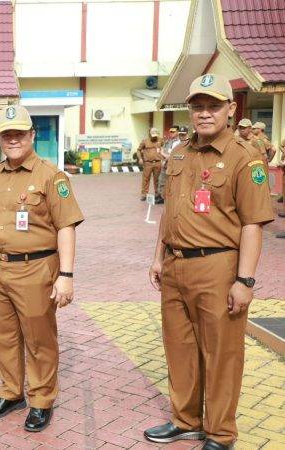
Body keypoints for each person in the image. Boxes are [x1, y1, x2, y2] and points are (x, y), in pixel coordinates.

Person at [144, 74, 274, 450]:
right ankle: (186, 420)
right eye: (198, 106)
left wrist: (244, 281)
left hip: (218, 267)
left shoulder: (244, 157)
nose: (204, 113)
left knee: (221, 353)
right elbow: (169, 212)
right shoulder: (180, 153)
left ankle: (220, 433)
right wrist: (158, 258)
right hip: (175, 265)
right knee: (179, 347)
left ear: (230, 109)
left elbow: (252, 224)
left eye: (213, 106)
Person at [0, 105, 83, 432]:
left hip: (35, 268)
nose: (13, 140)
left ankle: (41, 400)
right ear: (0, 139)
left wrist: (66, 276)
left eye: (19, 134)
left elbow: (66, 226)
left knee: (39, 339)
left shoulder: (51, 175)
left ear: (32, 135)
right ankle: (11, 393)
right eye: (7, 134)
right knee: (4, 336)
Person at [137, 128, 164, 201]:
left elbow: (164, 148)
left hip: (158, 163)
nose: (154, 137)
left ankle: (157, 193)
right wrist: (140, 158)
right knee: (146, 179)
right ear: (149, 134)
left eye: (155, 135)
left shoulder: (161, 140)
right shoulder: (145, 141)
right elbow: (138, 150)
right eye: (152, 135)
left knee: (157, 179)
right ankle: (144, 194)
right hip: (148, 163)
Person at [157, 126, 181, 204]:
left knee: (173, 182)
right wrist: (163, 159)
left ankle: (171, 198)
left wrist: (162, 153)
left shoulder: (179, 143)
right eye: (170, 131)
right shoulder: (167, 141)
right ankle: (162, 197)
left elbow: (171, 156)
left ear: (178, 132)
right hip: (165, 165)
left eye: (173, 132)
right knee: (162, 181)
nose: (171, 133)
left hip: (174, 166)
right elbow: (164, 151)